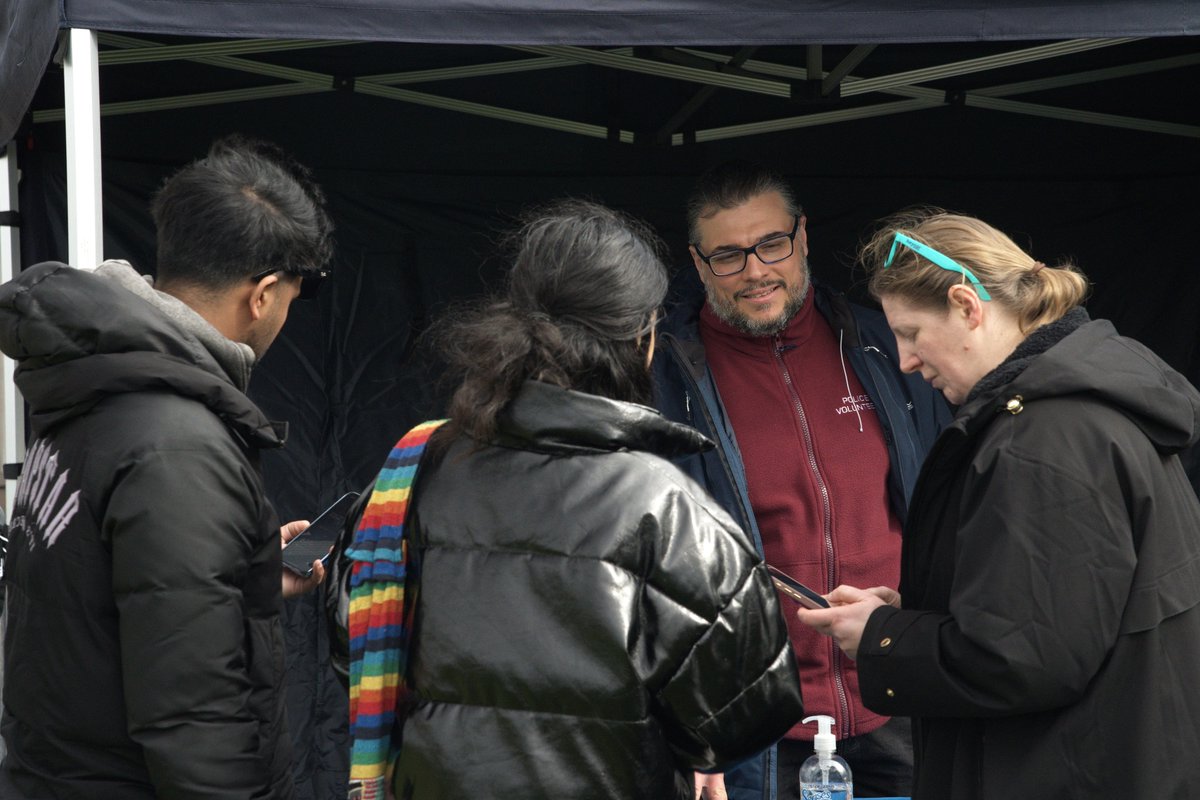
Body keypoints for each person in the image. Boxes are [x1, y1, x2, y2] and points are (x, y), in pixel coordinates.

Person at [331, 198, 804, 799]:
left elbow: (355, 647)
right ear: (644, 337)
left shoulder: (410, 472)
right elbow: (745, 712)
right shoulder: (664, 506)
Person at [796, 208, 1200, 798]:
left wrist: (883, 636)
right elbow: (1069, 610)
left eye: (910, 333)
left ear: (967, 305)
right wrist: (920, 609)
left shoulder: (1044, 438)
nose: (906, 360)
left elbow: (1024, 659)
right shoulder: (1086, 407)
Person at [0, 134, 334, 799]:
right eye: (292, 300)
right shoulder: (178, 442)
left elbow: (109, 594)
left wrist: (244, 574)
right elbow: (193, 720)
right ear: (263, 294)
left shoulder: (94, 387)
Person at [651, 161, 950, 800]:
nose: (756, 270)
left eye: (771, 244)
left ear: (803, 237)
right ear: (698, 264)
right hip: (754, 729)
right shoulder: (663, 378)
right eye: (728, 255)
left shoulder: (885, 348)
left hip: (901, 701)